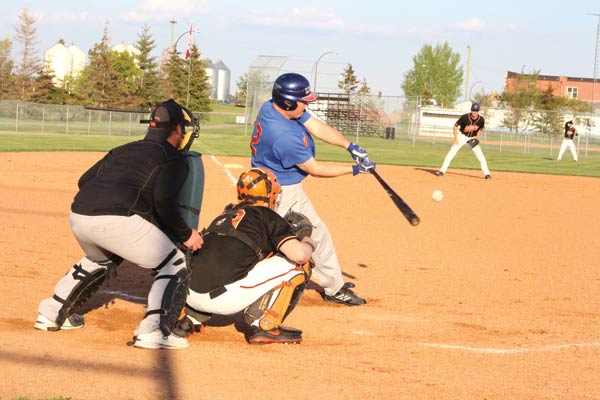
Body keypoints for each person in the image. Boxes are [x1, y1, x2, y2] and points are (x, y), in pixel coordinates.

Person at [34, 99, 204, 350]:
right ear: (177, 130)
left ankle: (50, 312)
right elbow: (163, 201)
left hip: (79, 216)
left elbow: (85, 181)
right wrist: (185, 234)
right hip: (116, 220)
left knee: (99, 259)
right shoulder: (173, 158)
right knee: (174, 262)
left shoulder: (123, 149)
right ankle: (154, 330)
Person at [249, 72, 375, 306]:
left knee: (271, 239)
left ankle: (331, 284)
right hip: (283, 193)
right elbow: (315, 169)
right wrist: (355, 169)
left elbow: (315, 125)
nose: (306, 104)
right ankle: (333, 289)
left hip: (267, 185)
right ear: (287, 101)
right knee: (309, 236)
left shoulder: (274, 108)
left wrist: (349, 145)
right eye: (303, 100)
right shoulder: (283, 135)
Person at [182, 167, 317, 344]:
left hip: (188, 296)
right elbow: (299, 255)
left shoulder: (225, 214)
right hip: (222, 301)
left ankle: (191, 319)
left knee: (229, 255)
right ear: (270, 192)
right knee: (301, 265)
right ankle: (265, 325)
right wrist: (307, 242)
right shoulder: (267, 215)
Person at [436, 102, 492, 179]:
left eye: (476, 110)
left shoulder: (481, 120)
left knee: (480, 155)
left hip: (472, 138)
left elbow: (481, 129)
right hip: (462, 136)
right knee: (452, 152)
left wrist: (477, 138)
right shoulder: (465, 117)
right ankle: (442, 171)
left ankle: (487, 174)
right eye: (473, 110)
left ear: (478, 111)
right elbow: (455, 126)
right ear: (471, 110)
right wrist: (455, 138)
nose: (474, 112)